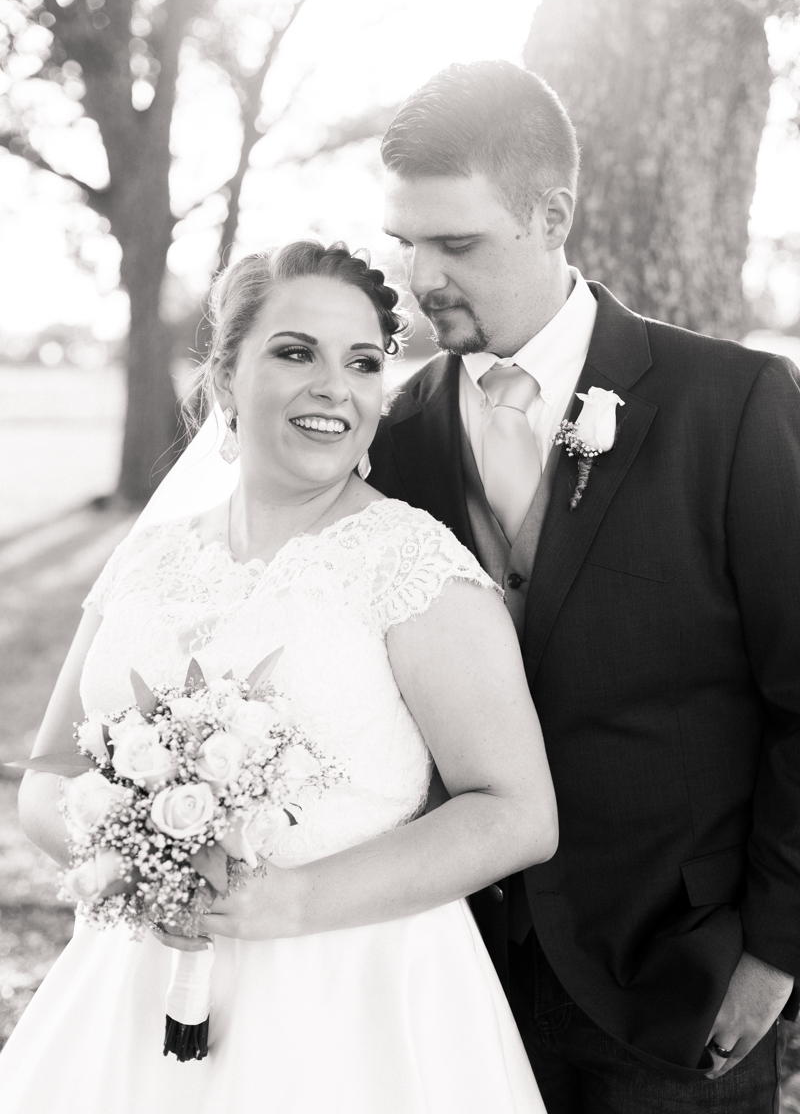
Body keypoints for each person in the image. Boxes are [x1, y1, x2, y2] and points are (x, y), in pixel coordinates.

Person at [0, 241, 558, 1113]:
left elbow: (517, 814)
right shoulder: (148, 555)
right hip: (132, 985)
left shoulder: (412, 566)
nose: (336, 385)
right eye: (296, 352)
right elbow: (46, 780)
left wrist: (285, 904)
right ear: (225, 379)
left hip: (353, 1006)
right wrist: (134, 859)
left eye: (364, 362)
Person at [370, 59, 800, 1113]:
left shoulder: (730, 404)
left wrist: (775, 955)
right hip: (449, 980)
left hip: (676, 984)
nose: (420, 277)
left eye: (456, 244)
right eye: (406, 242)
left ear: (550, 213)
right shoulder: (390, 438)